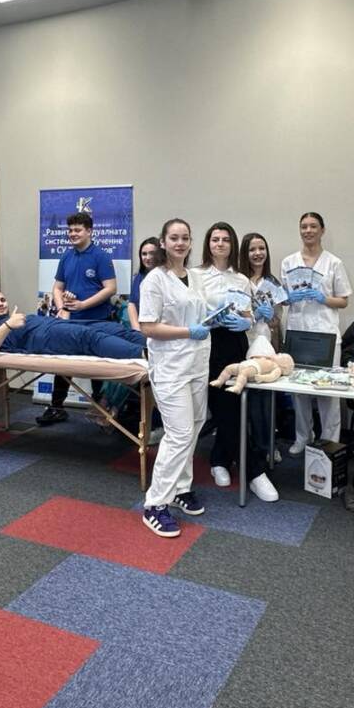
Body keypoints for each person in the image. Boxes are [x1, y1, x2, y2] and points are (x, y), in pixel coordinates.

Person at [137, 217, 211, 537]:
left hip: (197, 363)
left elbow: (201, 314)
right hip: (170, 367)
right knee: (179, 433)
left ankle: (181, 487)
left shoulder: (195, 277)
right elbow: (148, 326)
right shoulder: (155, 280)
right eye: (174, 238)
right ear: (163, 243)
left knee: (194, 426)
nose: (180, 243)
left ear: (191, 242)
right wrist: (187, 331)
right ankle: (155, 504)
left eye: (185, 238)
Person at [196, 222, 276, 501]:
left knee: (233, 406)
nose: (220, 244)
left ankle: (219, 458)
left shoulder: (241, 279)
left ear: (232, 245)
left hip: (235, 343)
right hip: (209, 344)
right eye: (215, 239)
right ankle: (254, 472)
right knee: (223, 408)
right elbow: (191, 312)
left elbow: (249, 315)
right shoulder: (196, 275)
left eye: (225, 240)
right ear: (208, 244)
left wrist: (247, 321)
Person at [280, 212, 352, 453]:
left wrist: (323, 298)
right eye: (304, 226)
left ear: (322, 230)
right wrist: (289, 298)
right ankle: (302, 436)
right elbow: (282, 298)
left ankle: (329, 441)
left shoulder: (334, 263)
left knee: (328, 392)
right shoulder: (288, 262)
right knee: (298, 391)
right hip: (297, 333)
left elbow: (343, 301)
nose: (308, 230)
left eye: (313, 226)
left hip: (325, 334)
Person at [38, 211, 117, 426]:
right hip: (71, 322)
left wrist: (83, 304)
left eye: (78, 230)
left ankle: (100, 410)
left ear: (89, 231)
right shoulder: (66, 256)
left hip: (97, 321)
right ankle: (56, 408)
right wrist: (62, 308)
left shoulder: (101, 256)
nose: (73, 234)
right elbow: (57, 287)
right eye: (70, 230)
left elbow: (111, 288)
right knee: (63, 366)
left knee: (97, 368)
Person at [0, 288, 147, 359]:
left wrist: (65, 307)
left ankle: (158, 345)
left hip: (54, 325)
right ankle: (146, 355)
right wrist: (8, 325)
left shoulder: (12, 317)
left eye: (2, 300)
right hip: (43, 338)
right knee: (89, 337)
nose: (0, 304)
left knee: (113, 328)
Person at [241, 231, 285, 470]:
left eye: (261, 249)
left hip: (265, 345)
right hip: (243, 343)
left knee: (266, 398)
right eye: (252, 249)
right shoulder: (238, 280)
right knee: (247, 398)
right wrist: (252, 314)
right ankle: (248, 446)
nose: (257, 253)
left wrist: (270, 318)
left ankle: (268, 444)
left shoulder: (273, 283)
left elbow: (277, 321)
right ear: (244, 253)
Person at [126, 237, 161, 331]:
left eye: (152, 253)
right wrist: (137, 328)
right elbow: (132, 303)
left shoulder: (166, 276)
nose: (148, 257)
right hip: (141, 329)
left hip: (161, 329)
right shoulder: (139, 276)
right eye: (144, 254)